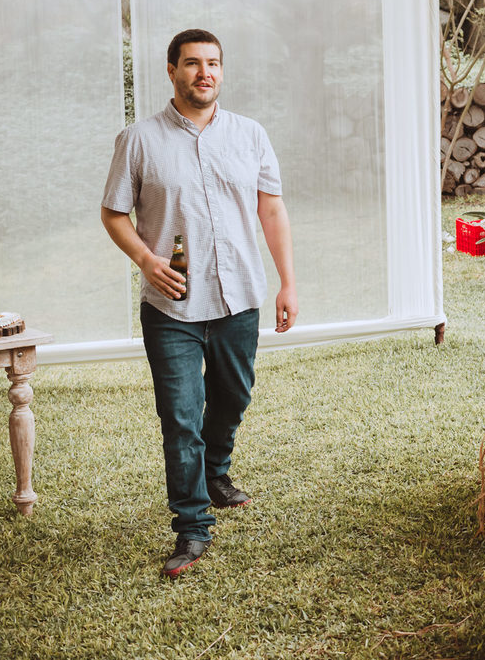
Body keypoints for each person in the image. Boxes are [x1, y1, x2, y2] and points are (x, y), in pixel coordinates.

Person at [100, 28, 297, 578]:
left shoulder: (250, 135)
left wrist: (288, 283)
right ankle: (191, 526)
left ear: (222, 71)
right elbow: (114, 213)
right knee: (181, 417)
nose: (203, 73)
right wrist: (145, 259)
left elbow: (272, 212)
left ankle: (216, 470)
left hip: (239, 300)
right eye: (191, 63)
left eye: (212, 63)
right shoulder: (138, 140)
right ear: (171, 70)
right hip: (173, 309)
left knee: (233, 397)